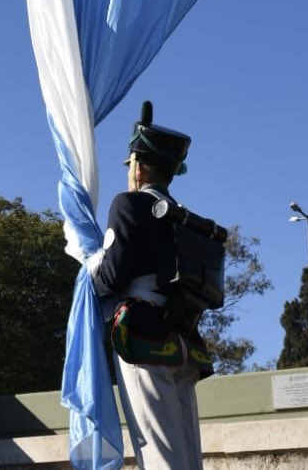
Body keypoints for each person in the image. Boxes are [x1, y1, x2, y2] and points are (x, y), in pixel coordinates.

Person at [90, 102, 206, 470]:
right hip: (184, 341)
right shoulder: (188, 219)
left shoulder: (129, 205)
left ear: (137, 167)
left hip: (144, 338)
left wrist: (88, 265)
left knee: (158, 455)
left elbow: (111, 278)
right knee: (187, 456)